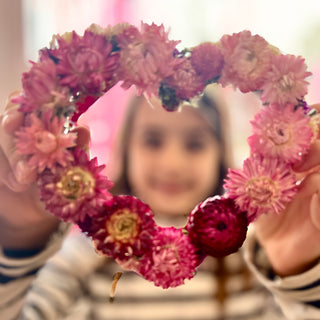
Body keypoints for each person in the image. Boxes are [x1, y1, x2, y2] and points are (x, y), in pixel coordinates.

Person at [0, 89, 319, 320]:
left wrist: (301, 271)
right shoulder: (83, 260)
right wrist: (17, 236)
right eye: (153, 140)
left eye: (195, 143)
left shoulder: (256, 262)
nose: (172, 164)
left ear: (220, 155)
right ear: (125, 149)